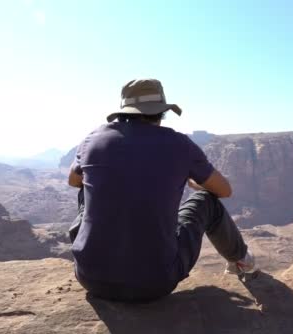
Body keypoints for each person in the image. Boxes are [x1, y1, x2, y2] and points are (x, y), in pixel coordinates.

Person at [68, 78, 256, 302]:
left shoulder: (94, 139)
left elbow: (74, 181)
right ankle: (241, 261)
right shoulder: (179, 144)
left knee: (85, 190)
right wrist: (191, 181)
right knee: (207, 201)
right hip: (155, 283)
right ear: (161, 112)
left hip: (90, 277)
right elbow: (224, 191)